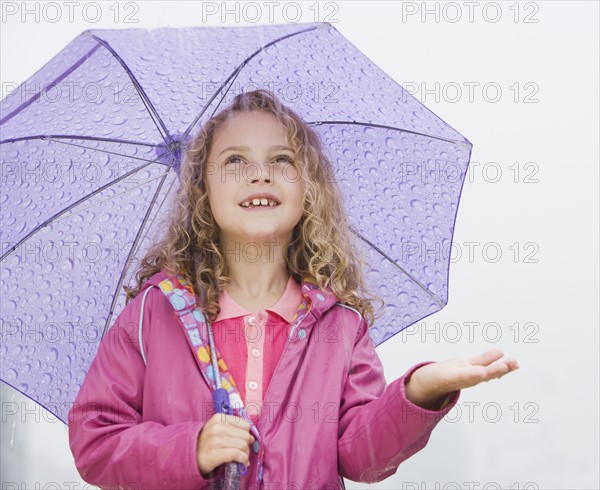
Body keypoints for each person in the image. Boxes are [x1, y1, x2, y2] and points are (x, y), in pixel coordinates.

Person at [67, 89, 519, 489]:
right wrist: (191, 448)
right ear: (202, 192)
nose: (259, 174)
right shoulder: (153, 314)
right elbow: (96, 439)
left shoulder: (340, 326)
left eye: (282, 159)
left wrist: (418, 391)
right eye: (235, 161)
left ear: (310, 191)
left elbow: (360, 456)